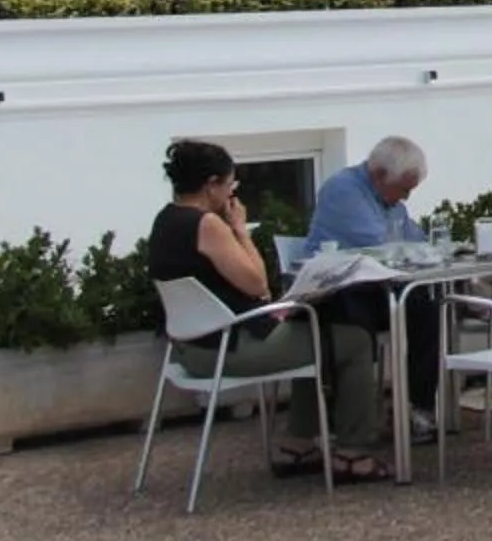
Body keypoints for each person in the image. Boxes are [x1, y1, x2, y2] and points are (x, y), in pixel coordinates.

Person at [144, 139, 359, 479]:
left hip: (188, 348)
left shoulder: (165, 220)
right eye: (231, 184)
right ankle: (352, 451)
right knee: (352, 341)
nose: (232, 192)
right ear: (212, 184)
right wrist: (241, 231)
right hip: (225, 348)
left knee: (311, 334)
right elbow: (258, 283)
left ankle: (300, 445)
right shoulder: (207, 225)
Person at [311, 137, 443, 447]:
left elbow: (416, 239)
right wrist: (420, 251)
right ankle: (349, 418)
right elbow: (382, 247)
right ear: (380, 175)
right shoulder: (343, 190)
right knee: (361, 321)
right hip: (337, 292)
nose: (407, 197)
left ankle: (417, 409)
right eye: (404, 188)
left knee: (426, 306)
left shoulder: (391, 200)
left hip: (374, 288)